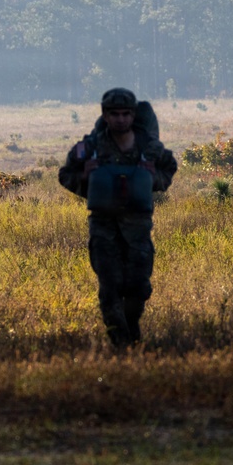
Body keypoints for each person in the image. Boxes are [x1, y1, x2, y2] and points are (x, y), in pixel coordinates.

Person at [59, 88, 178, 348]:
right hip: (103, 230)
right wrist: (84, 177)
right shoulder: (89, 149)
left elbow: (169, 167)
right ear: (105, 116)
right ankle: (122, 346)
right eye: (115, 114)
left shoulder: (149, 147)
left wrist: (152, 179)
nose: (121, 119)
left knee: (138, 288)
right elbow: (65, 175)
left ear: (133, 115)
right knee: (110, 289)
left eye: (126, 114)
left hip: (138, 232)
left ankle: (131, 331)